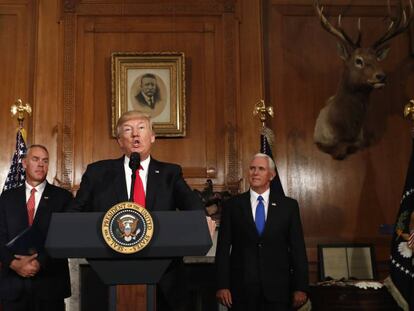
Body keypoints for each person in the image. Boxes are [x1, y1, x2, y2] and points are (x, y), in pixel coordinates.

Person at [69, 110, 212, 311]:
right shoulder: (98, 173)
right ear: (120, 141)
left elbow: (191, 204)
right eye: (128, 130)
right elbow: (75, 213)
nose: (135, 134)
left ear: (152, 137)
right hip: (109, 273)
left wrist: (202, 219)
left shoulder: (169, 173)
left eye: (141, 128)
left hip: (164, 277)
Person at [215, 153, 309, 311]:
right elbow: (223, 249)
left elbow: (297, 248)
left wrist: (301, 287)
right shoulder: (233, 206)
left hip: (278, 290)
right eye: (252, 168)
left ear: (271, 175)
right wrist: (222, 285)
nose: (255, 172)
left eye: (261, 169)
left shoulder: (288, 207)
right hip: (241, 290)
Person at [0, 145, 72, 311]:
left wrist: (39, 262)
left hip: (50, 285)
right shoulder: (7, 198)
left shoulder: (63, 198)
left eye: (45, 161)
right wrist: (13, 263)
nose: (41, 164)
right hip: (13, 287)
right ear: (24, 163)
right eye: (35, 159)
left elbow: (63, 238)